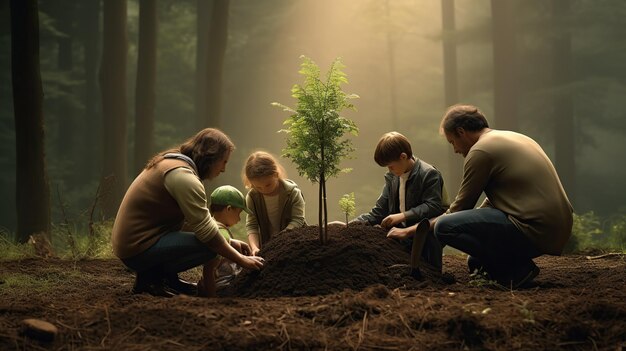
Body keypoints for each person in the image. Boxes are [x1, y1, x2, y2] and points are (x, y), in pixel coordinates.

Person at [431, 104, 573, 288]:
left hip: (534, 227)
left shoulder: (480, 151)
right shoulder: (510, 138)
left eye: (452, 142)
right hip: (556, 226)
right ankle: (515, 270)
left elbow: (462, 206)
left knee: (443, 227)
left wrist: (420, 228)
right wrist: (473, 226)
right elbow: (502, 196)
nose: (455, 150)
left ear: (461, 132)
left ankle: (519, 268)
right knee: (476, 262)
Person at [111, 128, 264, 298]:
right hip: (137, 249)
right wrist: (241, 259)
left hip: (137, 243)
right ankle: (150, 281)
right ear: (211, 158)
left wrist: (230, 241)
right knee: (210, 249)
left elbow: (192, 222)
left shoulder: (175, 164)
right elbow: (206, 233)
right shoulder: (184, 176)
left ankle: (167, 279)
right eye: (224, 162)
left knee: (214, 243)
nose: (223, 169)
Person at [351, 132, 449, 270]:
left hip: (426, 231)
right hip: (401, 233)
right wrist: (349, 225)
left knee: (427, 265)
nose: (389, 170)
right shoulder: (393, 178)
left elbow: (433, 206)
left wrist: (403, 216)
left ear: (403, 157)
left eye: (391, 166)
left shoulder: (428, 174)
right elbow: (378, 212)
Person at [243, 151, 306, 256]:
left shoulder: (293, 193)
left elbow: (298, 220)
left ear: (276, 175)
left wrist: (279, 241)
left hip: (295, 244)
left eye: (268, 185)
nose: (264, 190)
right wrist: (254, 248)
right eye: (258, 187)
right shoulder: (252, 197)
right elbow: (252, 225)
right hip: (267, 248)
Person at [197, 185, 251, 297]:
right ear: (229, 209)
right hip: (223, 286)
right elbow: (209, 270)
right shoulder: (222, 234)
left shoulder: (212, 228)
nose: (239, 219)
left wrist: (234, 242)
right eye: (239, 213)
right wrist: (212, 297)